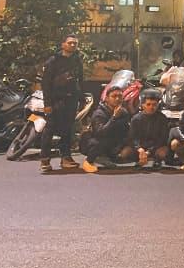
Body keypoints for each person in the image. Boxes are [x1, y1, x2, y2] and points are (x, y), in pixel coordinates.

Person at [39, 35, 84, 173]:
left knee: (68, 130)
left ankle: (66, 158)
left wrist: (81, 99)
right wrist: (47, 104)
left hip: (71, 100)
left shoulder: (77, 60)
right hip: (56, 100)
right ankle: (45, 159)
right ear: (63, 44)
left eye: (75, 43)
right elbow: (46, 83)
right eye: (70, 43)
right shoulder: (53, 61)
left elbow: (80, 80)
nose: (73, 45)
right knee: (50, 129)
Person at [80, 85, 132, 173]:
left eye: (120, 96)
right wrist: (114, 118)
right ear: (107, 98)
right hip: (95, 143)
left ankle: (107, 157)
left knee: (130, 150)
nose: (117, 99)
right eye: (114, 96)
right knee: (100, 141)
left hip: (113, 143)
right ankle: (89, 161)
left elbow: (126, 131)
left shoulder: (124, 112)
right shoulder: (99, 113)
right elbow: (100, 133)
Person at [127, 88, 170, 169]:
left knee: (163, 152)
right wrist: (140, 149)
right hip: (141, 147)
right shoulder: (136, 118)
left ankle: (157, 161)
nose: (151, 107)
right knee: (125, 153)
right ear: (143, 105)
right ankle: (138, 161)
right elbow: (132, 137)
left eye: (154, 104)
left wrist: (149, 151)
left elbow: (162, 139)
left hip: (156, 147)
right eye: (148, 104)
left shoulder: (162, 118)